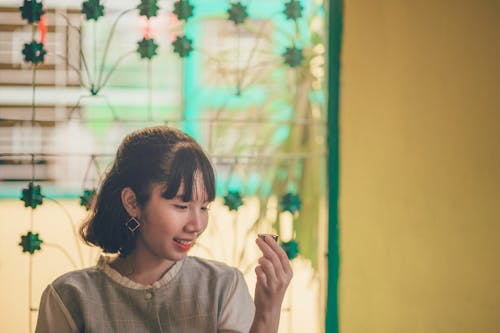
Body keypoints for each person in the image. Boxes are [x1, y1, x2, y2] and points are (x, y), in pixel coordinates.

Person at [35, 126, 292, 333]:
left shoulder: (223, 287)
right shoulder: (69, 298)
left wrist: (267, 312)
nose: (196, 225)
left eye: (204, 207)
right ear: (133, 202)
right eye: (181, 206)